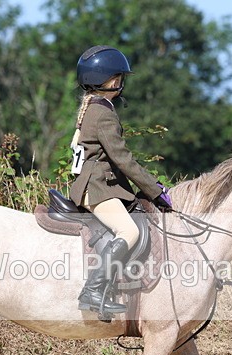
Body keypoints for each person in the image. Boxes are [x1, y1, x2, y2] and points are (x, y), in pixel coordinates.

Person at [69, 45, 172, 316]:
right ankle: (92, 290)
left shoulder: (91, 107)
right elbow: (123, 159)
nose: (121, 82)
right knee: (129, 232)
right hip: (97, 188)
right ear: (110, 80)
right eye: (119, 77)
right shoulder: (103, 112)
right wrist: (155, 189)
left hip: (94, 183)